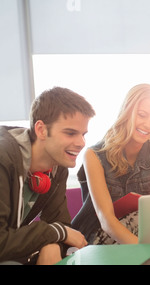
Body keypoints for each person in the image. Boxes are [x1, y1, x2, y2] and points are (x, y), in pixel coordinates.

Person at [72, 83, 150, 245]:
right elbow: (106, 220)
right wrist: (144, 251)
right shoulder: (94, 155)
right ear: (127, 112)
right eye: (142, 115)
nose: (148, 125)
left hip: (144, 230)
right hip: (98, 235)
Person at [0, 87, 95, 265]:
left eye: (83, 134)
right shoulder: (3, 159)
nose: (81, 143)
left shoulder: (57, 168)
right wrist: (57, 233)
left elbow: (61, 224)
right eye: (70, 133)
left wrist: (51, 245)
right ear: (41, 130)